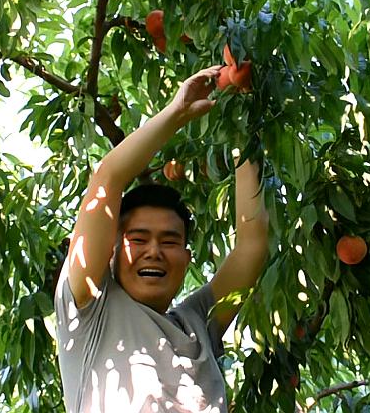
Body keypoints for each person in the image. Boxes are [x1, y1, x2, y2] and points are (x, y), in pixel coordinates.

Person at [54, 65, 269, 412]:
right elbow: (107, 179)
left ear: (187, 258)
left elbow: (251, 246)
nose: (154, 251)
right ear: (111, 252)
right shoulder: (89, 309)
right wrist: (177, 113)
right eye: (138, 239)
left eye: (169, 242)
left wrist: (243, 127)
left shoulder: (199, 323)